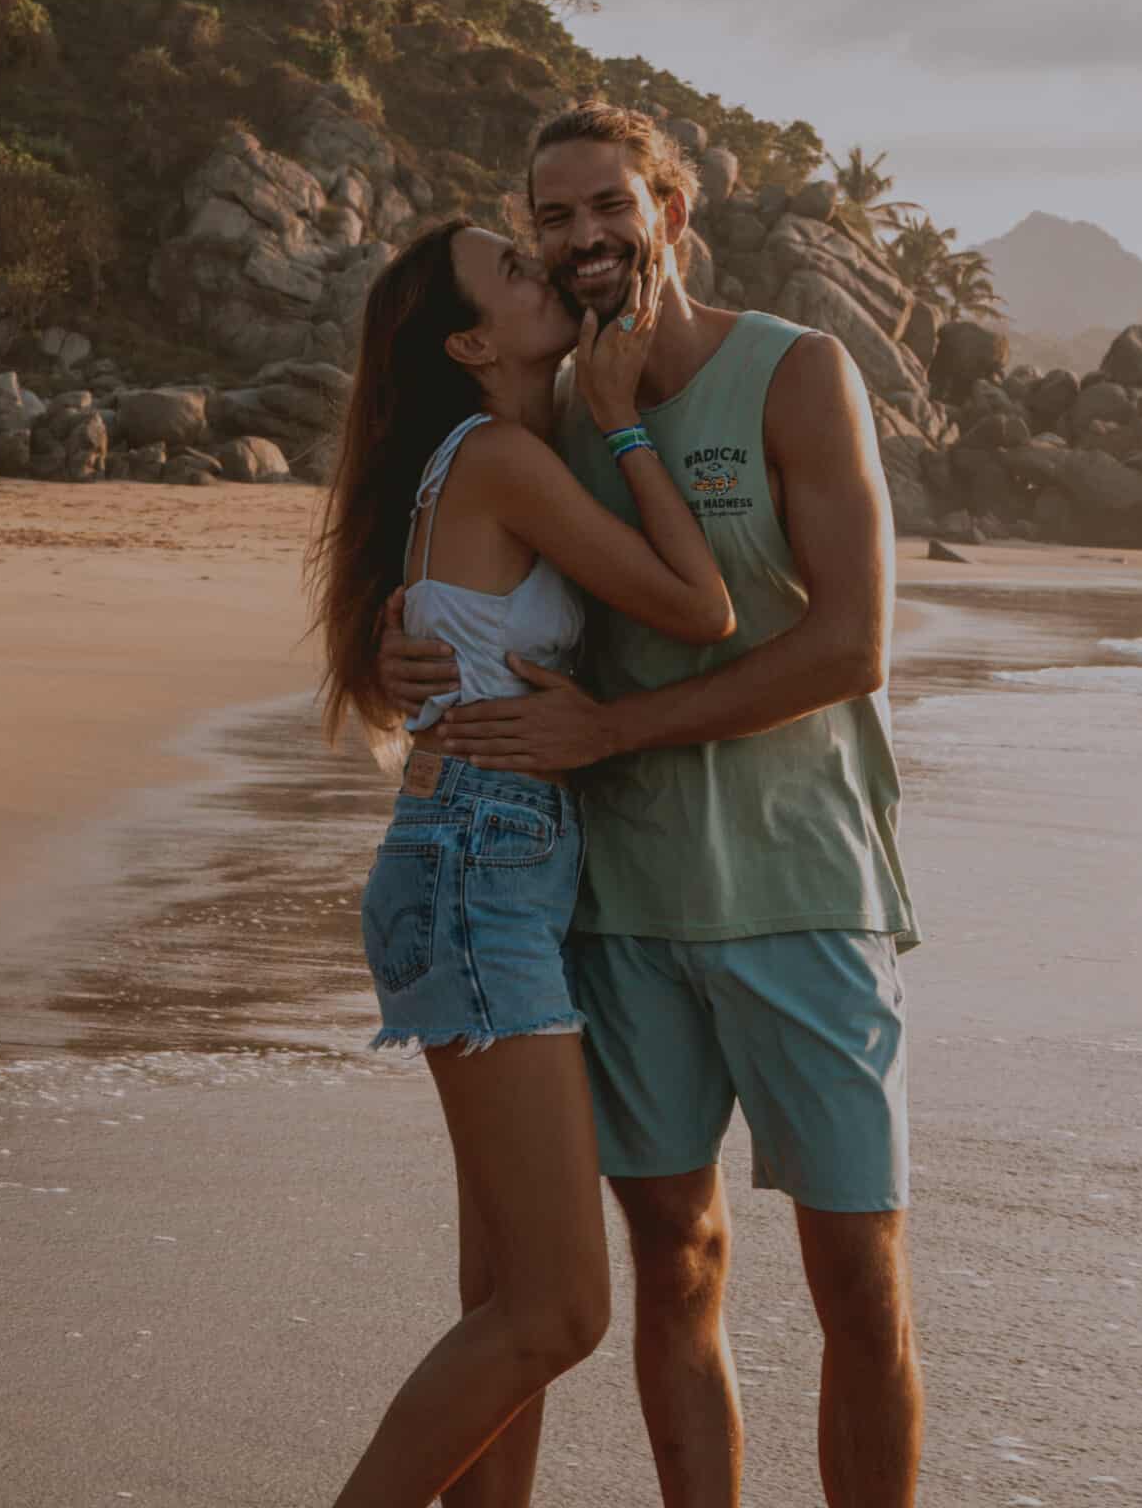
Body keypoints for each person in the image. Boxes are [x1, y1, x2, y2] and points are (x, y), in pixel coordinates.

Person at [377, 102, 924, 1508]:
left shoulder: (796, 372)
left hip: (801, 884)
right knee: (670, 1266)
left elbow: (851, 643)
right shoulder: (539, 405)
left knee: (856, 1282)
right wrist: (395, 642)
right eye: (548, 220)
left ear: (671, 212)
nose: (578, 240)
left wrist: (613, 725)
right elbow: (476, 572)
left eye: (607, 205)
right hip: (608, 902)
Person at [310, 217, 734, 1507]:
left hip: (485, 862)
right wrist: (620, 428)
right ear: (472, 343)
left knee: (504, 1295)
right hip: (476, 870)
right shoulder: (501, 456)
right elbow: (700, 606)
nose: (543, 268)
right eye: (512, 268)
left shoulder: (487, 459)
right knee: (560, 1309)